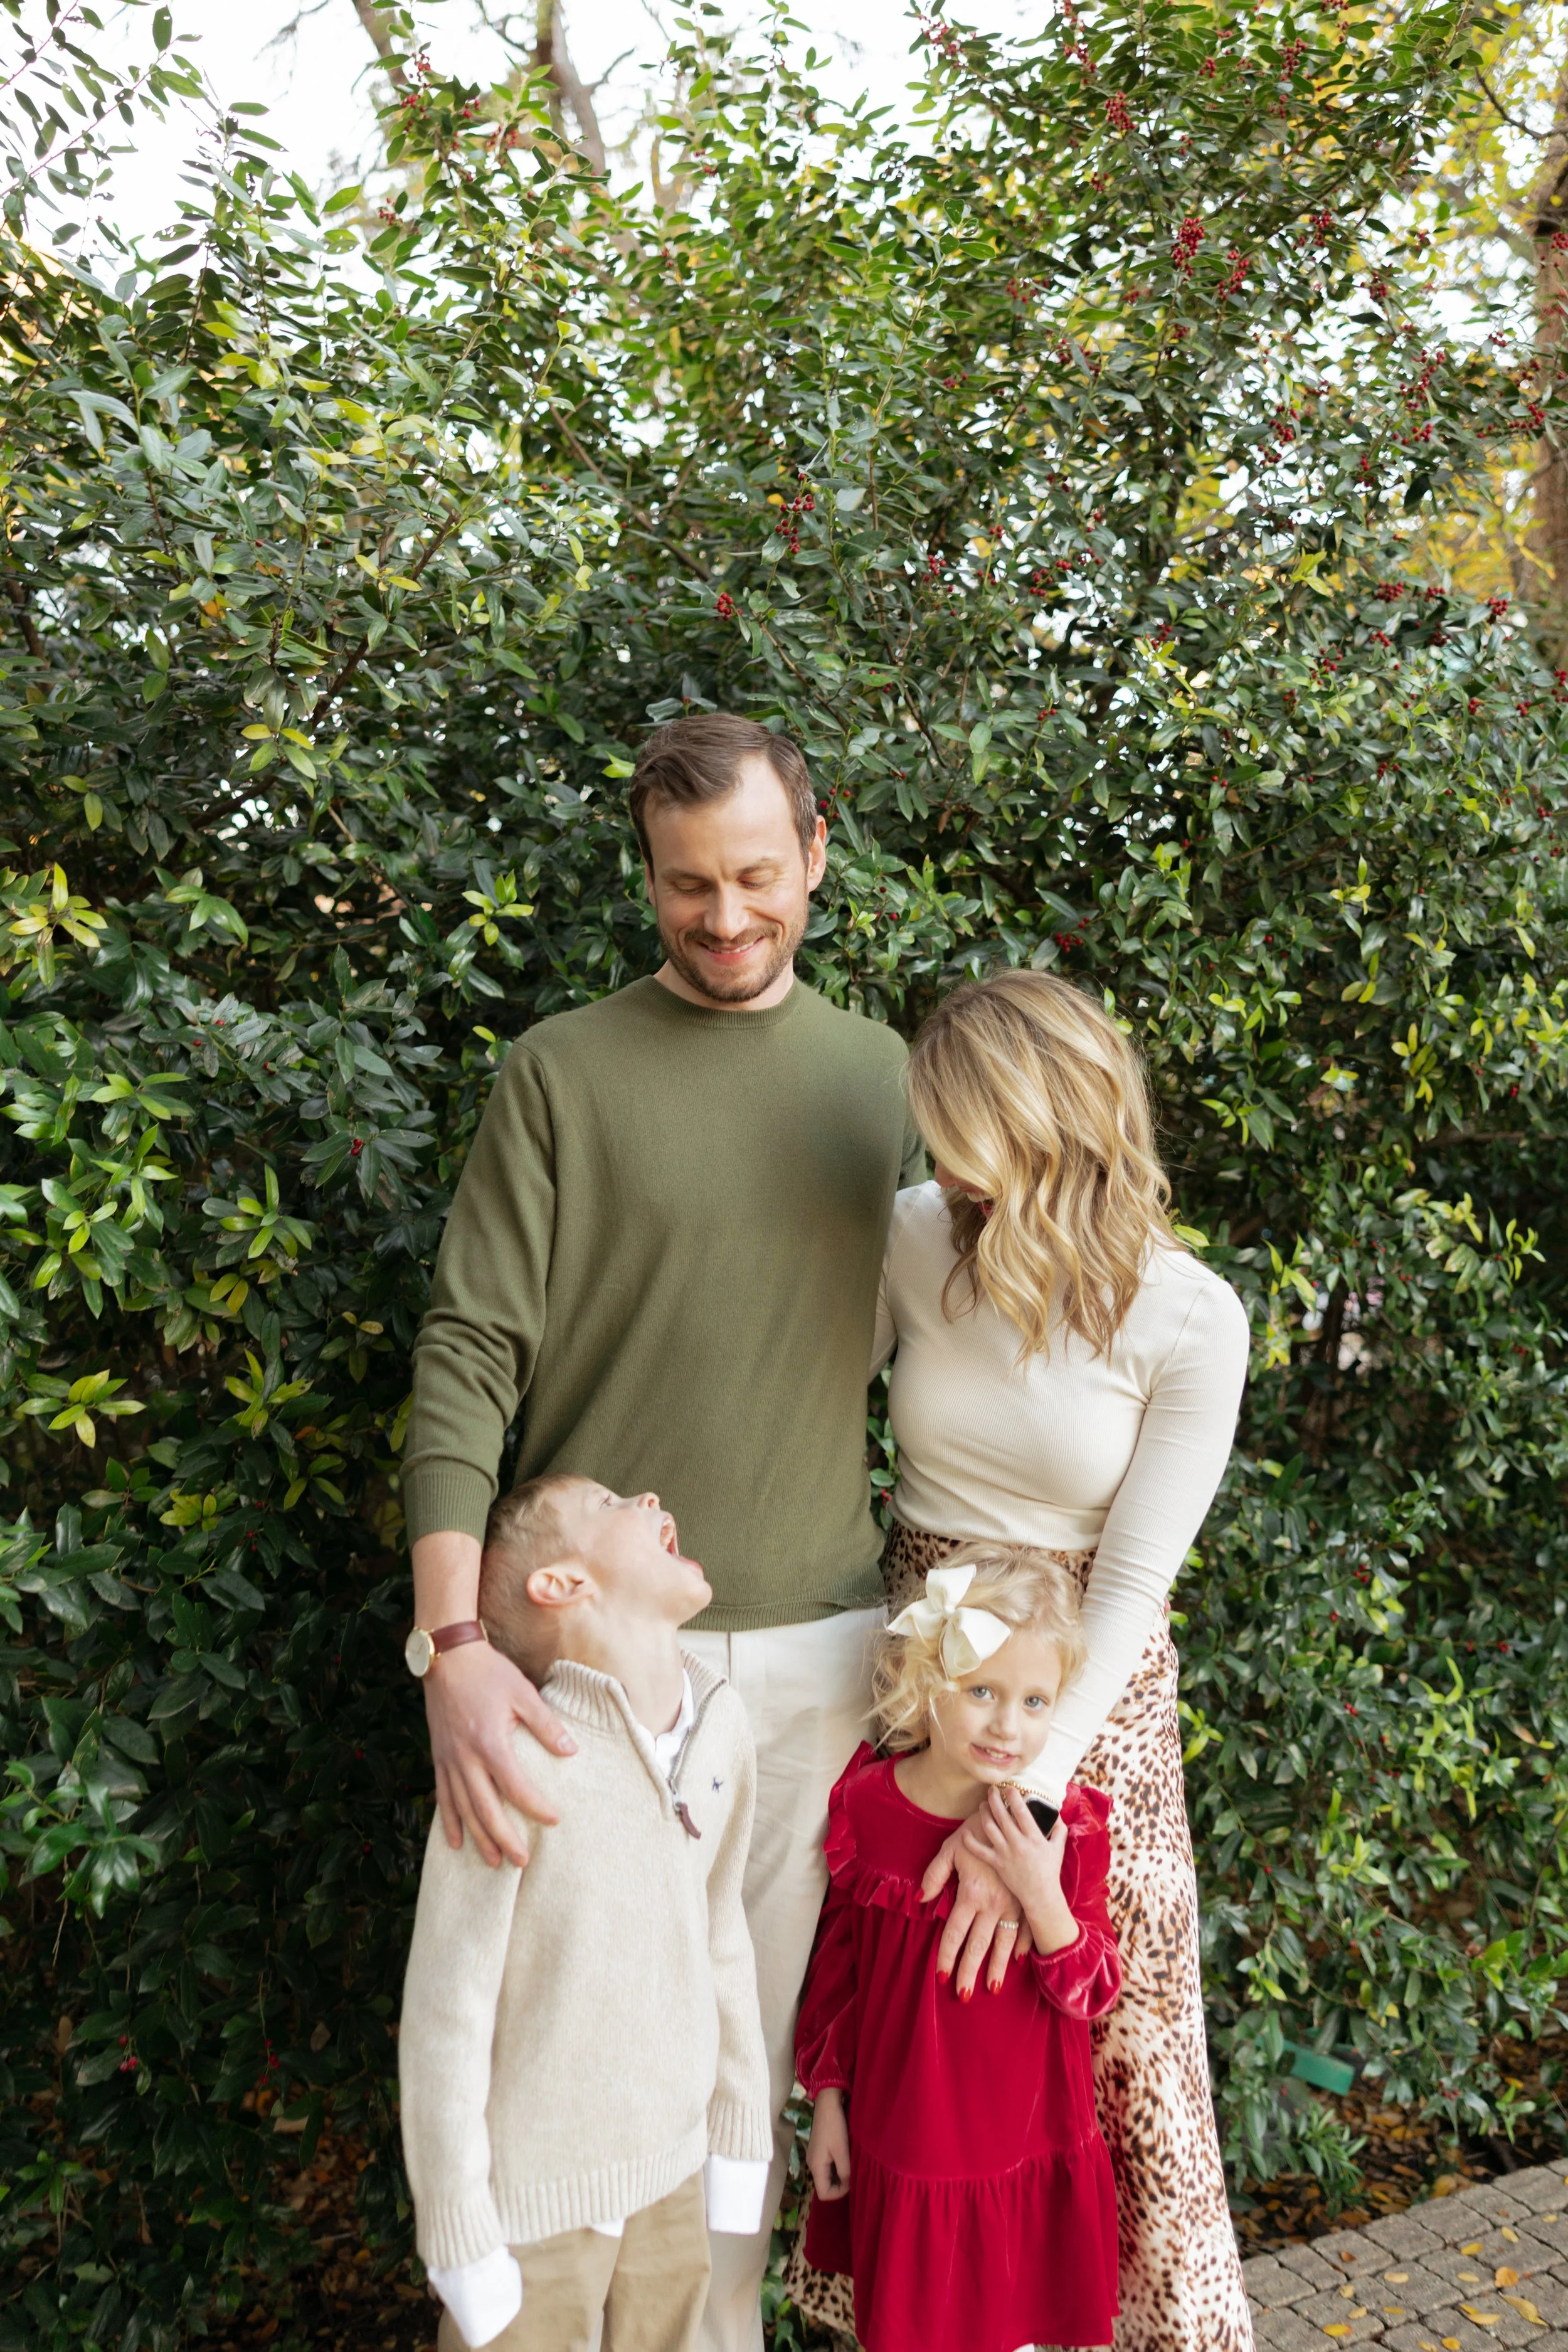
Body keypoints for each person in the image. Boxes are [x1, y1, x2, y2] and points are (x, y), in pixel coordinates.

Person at [401, 713, 946, 2352]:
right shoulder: (560, 1070)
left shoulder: (883, 1083)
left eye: (757, 877)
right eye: (685, 884)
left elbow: (965, 1344)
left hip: (811, 1664)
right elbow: (467, 1347)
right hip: (583, 1679)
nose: (722, 918)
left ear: (818, 854)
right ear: (646, 873)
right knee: (545, 2072)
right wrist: (451, 1646)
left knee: (743, 2074)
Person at [874, 969, 1253, 2351]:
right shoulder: (916, 1234)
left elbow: (1135, 1588)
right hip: (919, 1679)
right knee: (940, 2050)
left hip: (1085, 1713)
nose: (938, 1163)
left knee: (1112, 2047)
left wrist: (1024, 1798)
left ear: (1038, 1123)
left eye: (956, 1131)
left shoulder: (1188, 1315)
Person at [399, 1474, 771, 2352]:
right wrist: (457, 2232)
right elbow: (448, 2010)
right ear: (561, 1584)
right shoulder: (511, 1755)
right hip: (534, 2212)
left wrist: (738, 2130)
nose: (648, 1495)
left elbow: (724, 1939)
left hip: (674, 2177)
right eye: (611, 1504)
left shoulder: (723, 1723)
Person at [795, 1546, 1123, 2352]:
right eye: (982, 1692)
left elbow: (1094, 1988)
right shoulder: (867, 1804)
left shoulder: (1063, 1827)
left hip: (1022, 2138)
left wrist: (1040, 1894)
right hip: (906, 2135)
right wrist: (828, 2103)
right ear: (926, 1678)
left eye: (1035, 1700)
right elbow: (837, 1976)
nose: (1008, 1725)